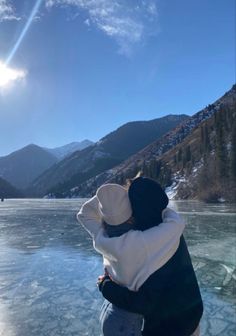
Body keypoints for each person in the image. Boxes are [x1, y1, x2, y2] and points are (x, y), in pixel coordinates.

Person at [77, 181, 186, 335]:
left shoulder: (102, 238)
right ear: (131, 218)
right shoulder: (142, 242)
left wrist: (107, 197)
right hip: (126, 320)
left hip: (109, 311)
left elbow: (84, 214)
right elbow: (176, 223)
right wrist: (161, 209)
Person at [98, 177, 203, 336]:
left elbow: (143, 303)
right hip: (191, 315)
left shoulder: (152, 247)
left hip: (171, 328)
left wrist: (106, 286)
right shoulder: (167, 228)